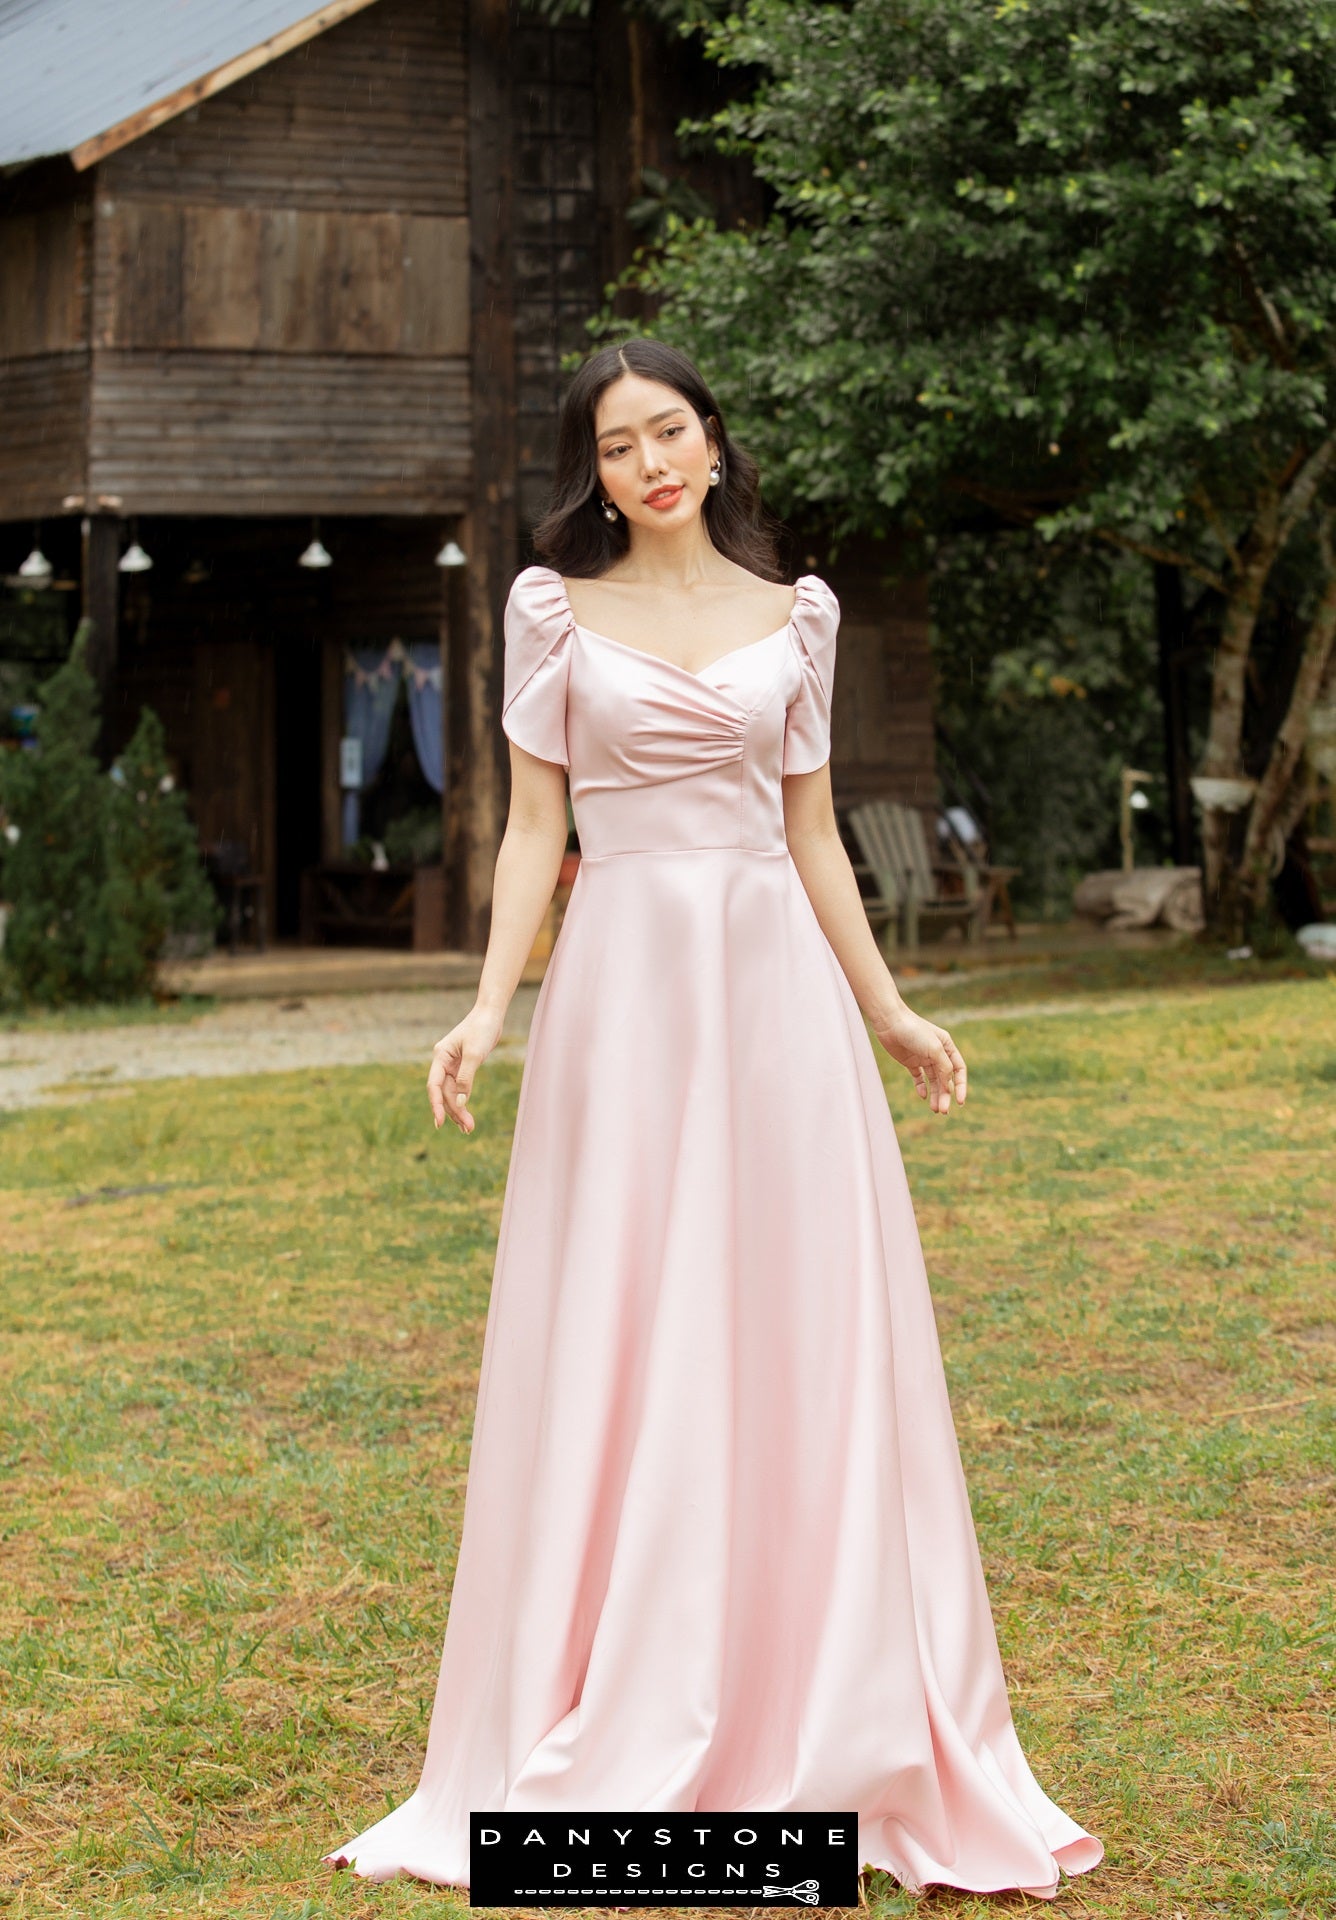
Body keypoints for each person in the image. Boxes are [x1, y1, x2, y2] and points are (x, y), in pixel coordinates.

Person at [322, 338, 1104, 1900]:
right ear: (592, 470)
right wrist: (488, 1007)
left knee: (793, 1331)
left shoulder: (794, 616)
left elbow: (809, 833)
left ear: (716, 442)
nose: (648, 463)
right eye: (615, 447)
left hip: (776, 996)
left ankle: (815, 1708)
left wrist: (887, 1010)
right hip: (622, 991)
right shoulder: (555, 610)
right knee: (625, 1320)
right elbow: (537, 823)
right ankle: (620, 1699)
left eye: (667, 432)